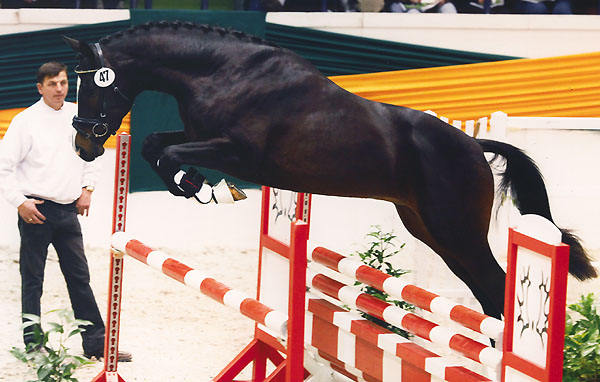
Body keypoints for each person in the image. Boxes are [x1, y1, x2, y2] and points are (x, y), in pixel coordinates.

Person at [0, 61, 131, 362]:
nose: (59, 89)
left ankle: (97, 344)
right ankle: (34, 346)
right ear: (40, 88)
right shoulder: (24, 121)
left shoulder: (78, 115)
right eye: (52, 84)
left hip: (69, 211)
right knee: (33, 279)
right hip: (37, 211)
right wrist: (20, 202)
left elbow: (93, 153)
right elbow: (4, 168)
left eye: (62, 82)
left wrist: (88, 189)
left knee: (79, 277)